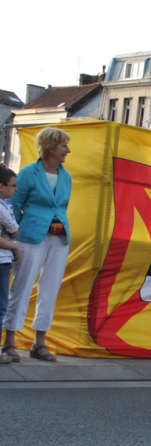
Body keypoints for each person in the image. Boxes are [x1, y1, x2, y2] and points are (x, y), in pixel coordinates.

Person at [2, 127, 73, 363]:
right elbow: (14, 205)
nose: (67, 151)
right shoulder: (28, 173)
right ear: (51, 146)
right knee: (21, 288)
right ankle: (9, 341)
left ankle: (39, 342)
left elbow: (62, 206)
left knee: (50, 290)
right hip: (31, 237)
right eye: (64, 146)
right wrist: (22, 229)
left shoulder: (66, 176)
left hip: (59, 238)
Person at [0, 166, 20, 365]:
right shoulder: (1, 207)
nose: (15, 190)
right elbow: (14, 230)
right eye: (13, 186)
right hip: (2, 261)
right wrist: (14, 246)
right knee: (1, 307)